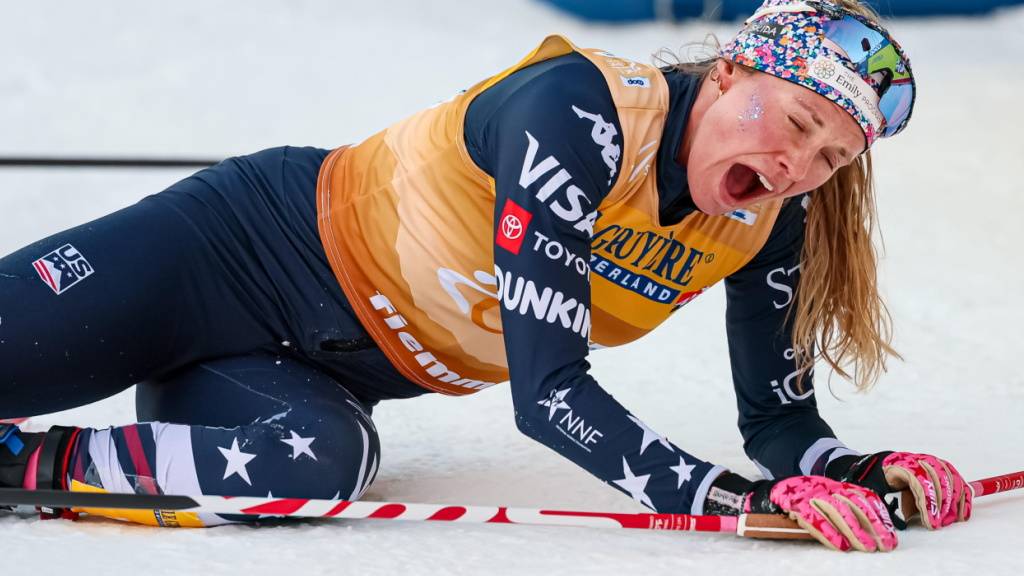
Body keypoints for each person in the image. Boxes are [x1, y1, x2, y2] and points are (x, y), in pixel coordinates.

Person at [0, 0, 971, 550]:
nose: (803, 167)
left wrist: (850, 471)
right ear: (727, 74)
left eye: (833, 159)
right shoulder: (583, 111)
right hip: (222, 256)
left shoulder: (768, 218)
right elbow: (548, 391)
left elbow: (779, 422)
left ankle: (21, 468)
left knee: (314, 472)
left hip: (310, 377)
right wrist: (727, 500)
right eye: (798, 125)